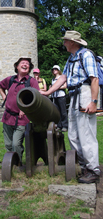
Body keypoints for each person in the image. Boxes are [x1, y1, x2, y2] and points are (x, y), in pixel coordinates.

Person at [40, 30, 100, 184]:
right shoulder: (71, 58)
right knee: (73, 134)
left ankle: (93, 169)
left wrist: (93, 101)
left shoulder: (86, 55)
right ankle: (84, 166)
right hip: (73, 96)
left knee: (86, 134)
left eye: (65, 41)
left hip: (85, 95)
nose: (64, 43)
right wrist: (47, 92)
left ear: (72, 42)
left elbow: (94, 79)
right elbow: (63, 79)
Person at [0, 57, 39, 165]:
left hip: (22, 119)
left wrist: (26, 109)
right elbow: (0, 86)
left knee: (16, 144)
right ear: (17, 66)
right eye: (23, 63)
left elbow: (37, 98)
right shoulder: (10, 80)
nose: (25, 65)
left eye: (27, 64)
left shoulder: (32, 82)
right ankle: (11, 165)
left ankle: (18, 164)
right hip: (7, 117)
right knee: (8, 145)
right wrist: (4, 97)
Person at [51, 65, 68, 132]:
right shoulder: (53, 79)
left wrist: (56, 87)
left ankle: (65, 125)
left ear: (58, 70)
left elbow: (65, 86)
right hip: (55, 96)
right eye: (53, 69)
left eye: (56, 69)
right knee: (57, 112)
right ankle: (59, 125)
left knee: (63, 111)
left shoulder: (61, 78)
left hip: (61, 96)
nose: (54, 70)